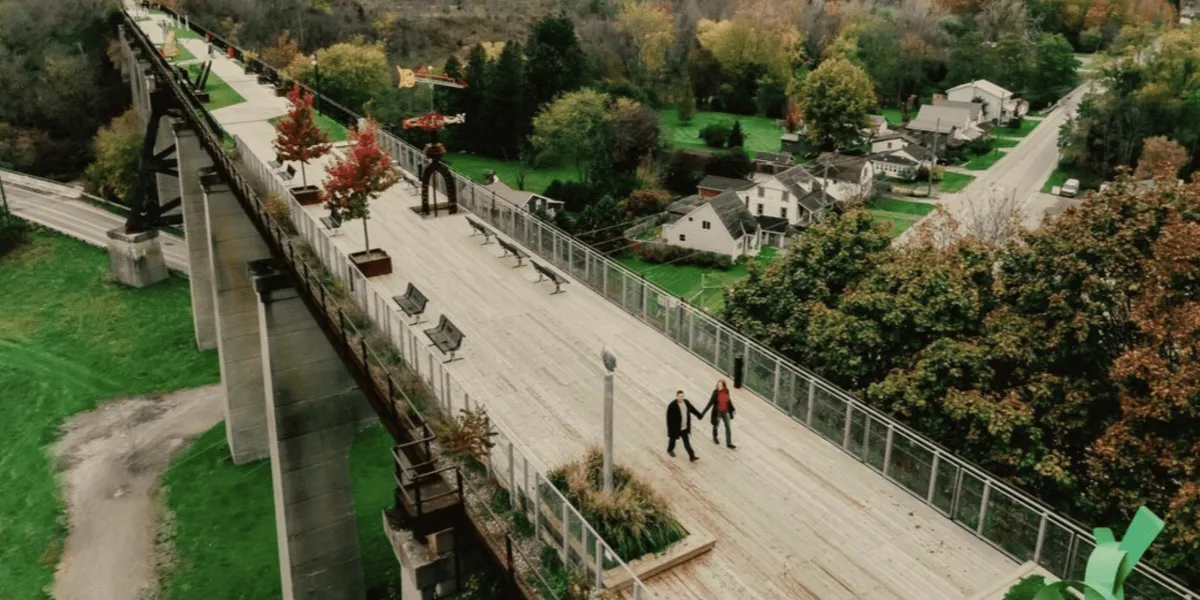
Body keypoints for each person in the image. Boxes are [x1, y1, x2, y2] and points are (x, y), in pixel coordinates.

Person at [665, 390, 702, 461]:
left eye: (682, 396)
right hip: (676, 428)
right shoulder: (672, 406)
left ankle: (692, 456)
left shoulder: (686, 403)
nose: (681, 398)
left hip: (684, 428)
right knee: (672, 439)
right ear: (676, 397)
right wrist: (670, 430)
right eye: (679, 396)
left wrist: (699, 415)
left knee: (687, 443)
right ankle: (670, 450)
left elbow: (692, 409)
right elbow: (669, 420)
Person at [704, 379, 737, 449]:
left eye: (721, 386)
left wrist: (733, 409)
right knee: (716, 425)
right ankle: (715, 437)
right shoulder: (715, 393)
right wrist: (703, 413)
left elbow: (728, 400)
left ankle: (729, 443)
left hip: (726, 411)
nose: (719, 387)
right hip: (718, 412)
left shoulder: (726, 391)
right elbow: (710, 403)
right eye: (718, 385)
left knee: (728, 427)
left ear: (724, 386)